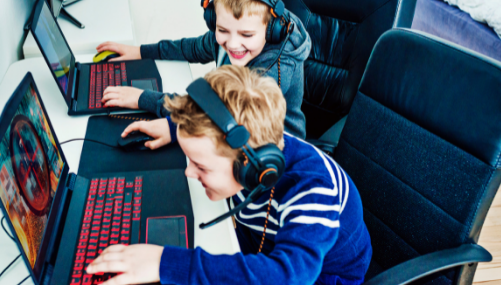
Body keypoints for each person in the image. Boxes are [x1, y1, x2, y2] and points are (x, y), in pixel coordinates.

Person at [86, 66, 372, 285]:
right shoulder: (255, 141)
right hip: (261, 241)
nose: (188, 171)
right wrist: (174, 129)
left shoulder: (314, 191)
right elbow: (212, 123)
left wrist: (166, 262)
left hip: (319, 275)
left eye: (201, 165)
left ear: (249, 166)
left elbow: (287, 276)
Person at [96, 0, 311, 139]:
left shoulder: (273, 69)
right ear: (212, 20)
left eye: (246, 35)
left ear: (271, 29)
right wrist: (140, 52)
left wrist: (147, 102)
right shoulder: (231, 37)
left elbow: (223, 116)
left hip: (274, 157)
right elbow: (190, 48)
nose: (233, 44)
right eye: (222, 30)